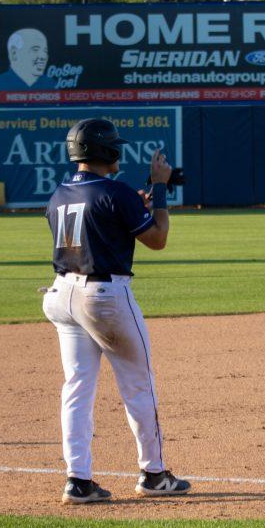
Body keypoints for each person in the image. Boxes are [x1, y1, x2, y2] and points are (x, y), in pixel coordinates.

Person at [42, 118, 191, 505]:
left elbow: (97, 227)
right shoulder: (116, 192)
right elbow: (157, 239)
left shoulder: (59, 194)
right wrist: (159, 188)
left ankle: (78, 480)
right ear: (106, 152)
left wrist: (128, 209)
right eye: (115, 147)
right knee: (138, 385)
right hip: (104, 297)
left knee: (76, 388)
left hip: (62, 294)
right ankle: (154, 474)